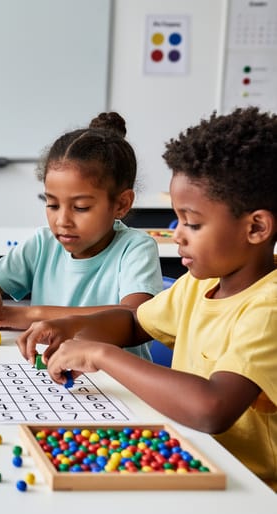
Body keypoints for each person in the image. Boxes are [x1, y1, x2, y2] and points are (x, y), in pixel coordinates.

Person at [18, 107, 277, 490]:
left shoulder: (268, 307)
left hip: (249, 489)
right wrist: (69, 327)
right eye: (177, 221)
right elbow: (135, 323)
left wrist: (100, 354)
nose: (177, 237)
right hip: (192, 459)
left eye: (192, 223)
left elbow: (212, 409)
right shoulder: (199, 283)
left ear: (255, 227)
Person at [0, 112, 161, 360]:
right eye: (52, 205)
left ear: (122, 204)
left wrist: (27, 315)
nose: (62, 221)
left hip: (118, 385)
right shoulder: (43, 244)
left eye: (81, 207)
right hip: (53, 377)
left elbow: (134, 315)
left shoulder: (135, 248)